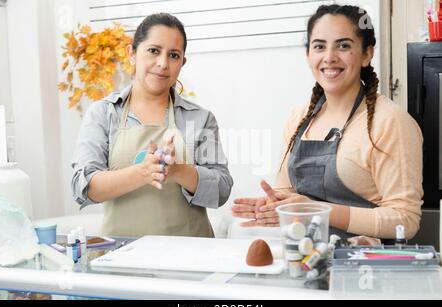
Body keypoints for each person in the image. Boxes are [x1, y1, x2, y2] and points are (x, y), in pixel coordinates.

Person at [232, 4, 423, 241]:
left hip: (366, 268)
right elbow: (286, 192)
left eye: (343, 45)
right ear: (308, 55)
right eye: (319, 46)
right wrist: (276, 206)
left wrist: (317, 211)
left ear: (366, 54)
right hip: (304, 260)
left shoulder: (390, 122)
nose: (329, 57)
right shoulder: (298, 118)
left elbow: (404, 220)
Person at [71, 13, 233, 238]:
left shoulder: (200, 119)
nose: (163, 63)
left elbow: (221, 190)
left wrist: (178, 170)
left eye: (174, 55)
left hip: (191, 256)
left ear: (182, 63)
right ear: (132, 53)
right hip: (122, 256)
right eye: (154, 51)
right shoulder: (103, 114)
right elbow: (85, 187)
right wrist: (143, 172)